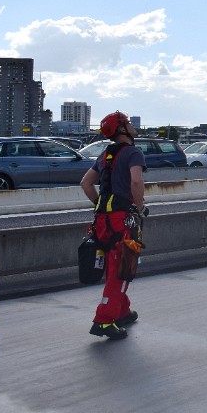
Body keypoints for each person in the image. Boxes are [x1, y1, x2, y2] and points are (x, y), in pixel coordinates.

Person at [80, 111, 147, 340]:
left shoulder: (106, 155)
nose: (132, 125)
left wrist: (100, 205)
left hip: (102, 221)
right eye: (128, 123)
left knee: (114, 263)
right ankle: (104, 320)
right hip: (122, 220)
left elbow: (86, 183)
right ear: (122, 129)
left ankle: (122, 311)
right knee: (121, 268)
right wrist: (137, 209)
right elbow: (136, 181)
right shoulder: (133, 153)